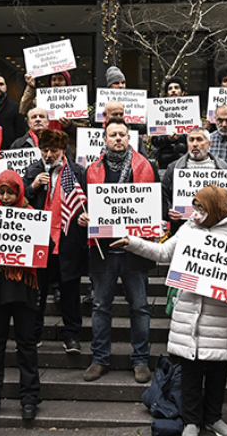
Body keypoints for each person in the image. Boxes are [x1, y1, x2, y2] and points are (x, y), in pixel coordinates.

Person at [112, 185, 227, 436]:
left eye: (201, 207)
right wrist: (132, 243)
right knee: (190, 371)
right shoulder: (188, 229)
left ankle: (214, 417)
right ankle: (191, 421)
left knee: (218, 372)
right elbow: (163, 252)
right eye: (195, 206)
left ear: (216, 208)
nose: (196, 212)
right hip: (190, 314)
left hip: (222, 317)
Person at [78, 118, 158, 383]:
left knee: (140, 307)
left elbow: (154, 204)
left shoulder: (144, 166)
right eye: (113, 135)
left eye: (122, 134)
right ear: (105, 139)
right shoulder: (91, 170)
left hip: (134, 249)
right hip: (102, 250)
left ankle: (140, 361)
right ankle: (100, 358)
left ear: (129, 138)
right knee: (101, 307)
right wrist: (83, 217)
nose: (118, 139)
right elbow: (86, 206)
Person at [0, 170, 41, 423]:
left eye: (10, 192)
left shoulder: (33, 215)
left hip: (25, 290)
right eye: (1, 191)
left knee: (26, 345)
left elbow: (44, 254)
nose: (4, 196)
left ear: (19, 192)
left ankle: (30, 398)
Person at [23, 130, 86, 354]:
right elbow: (18, 201)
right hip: (40, 240)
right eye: (45, 150)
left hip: (68, 240)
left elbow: (86, 203)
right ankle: (35, 332)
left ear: (63, 150)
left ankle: (72, 336)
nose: (49, 154)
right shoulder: (32, 171)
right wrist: (32, 187)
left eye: (54, 150)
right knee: (36, 292)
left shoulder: (77, 172)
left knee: (70, 291)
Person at [161, 127, 227, 233]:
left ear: (209, 144)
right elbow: (163, 196)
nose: (195, 144)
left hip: (216, 230)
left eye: (199, 139)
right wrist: (169, 212)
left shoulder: (223, 168)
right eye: (191, 140)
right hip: (183, 228)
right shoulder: (173, 168)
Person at [151, 76, 189, 170]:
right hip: (165, 165)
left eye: (176, 88)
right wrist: (168, 139)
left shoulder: (190, 112)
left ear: (182, 92)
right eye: (170, 89)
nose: (173, 90)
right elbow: (155, 141)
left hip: (185, 165)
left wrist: (181, 136)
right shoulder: (159, 113)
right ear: (167, 93)